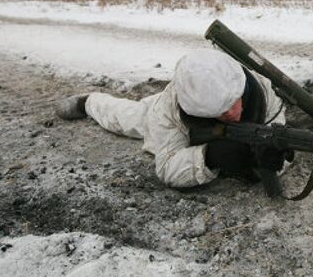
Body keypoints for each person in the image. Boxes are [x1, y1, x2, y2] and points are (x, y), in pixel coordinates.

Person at [55, 49, 290, 188]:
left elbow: (275, 144)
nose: (230, 114)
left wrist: (269, 160)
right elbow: (167, 168)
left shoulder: (264, 94)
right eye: (220, 111)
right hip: (163, 113)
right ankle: (88, 102)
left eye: (233, 103)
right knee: (125, 117)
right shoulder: (167, 112)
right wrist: (209, 157)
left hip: (188, 100)